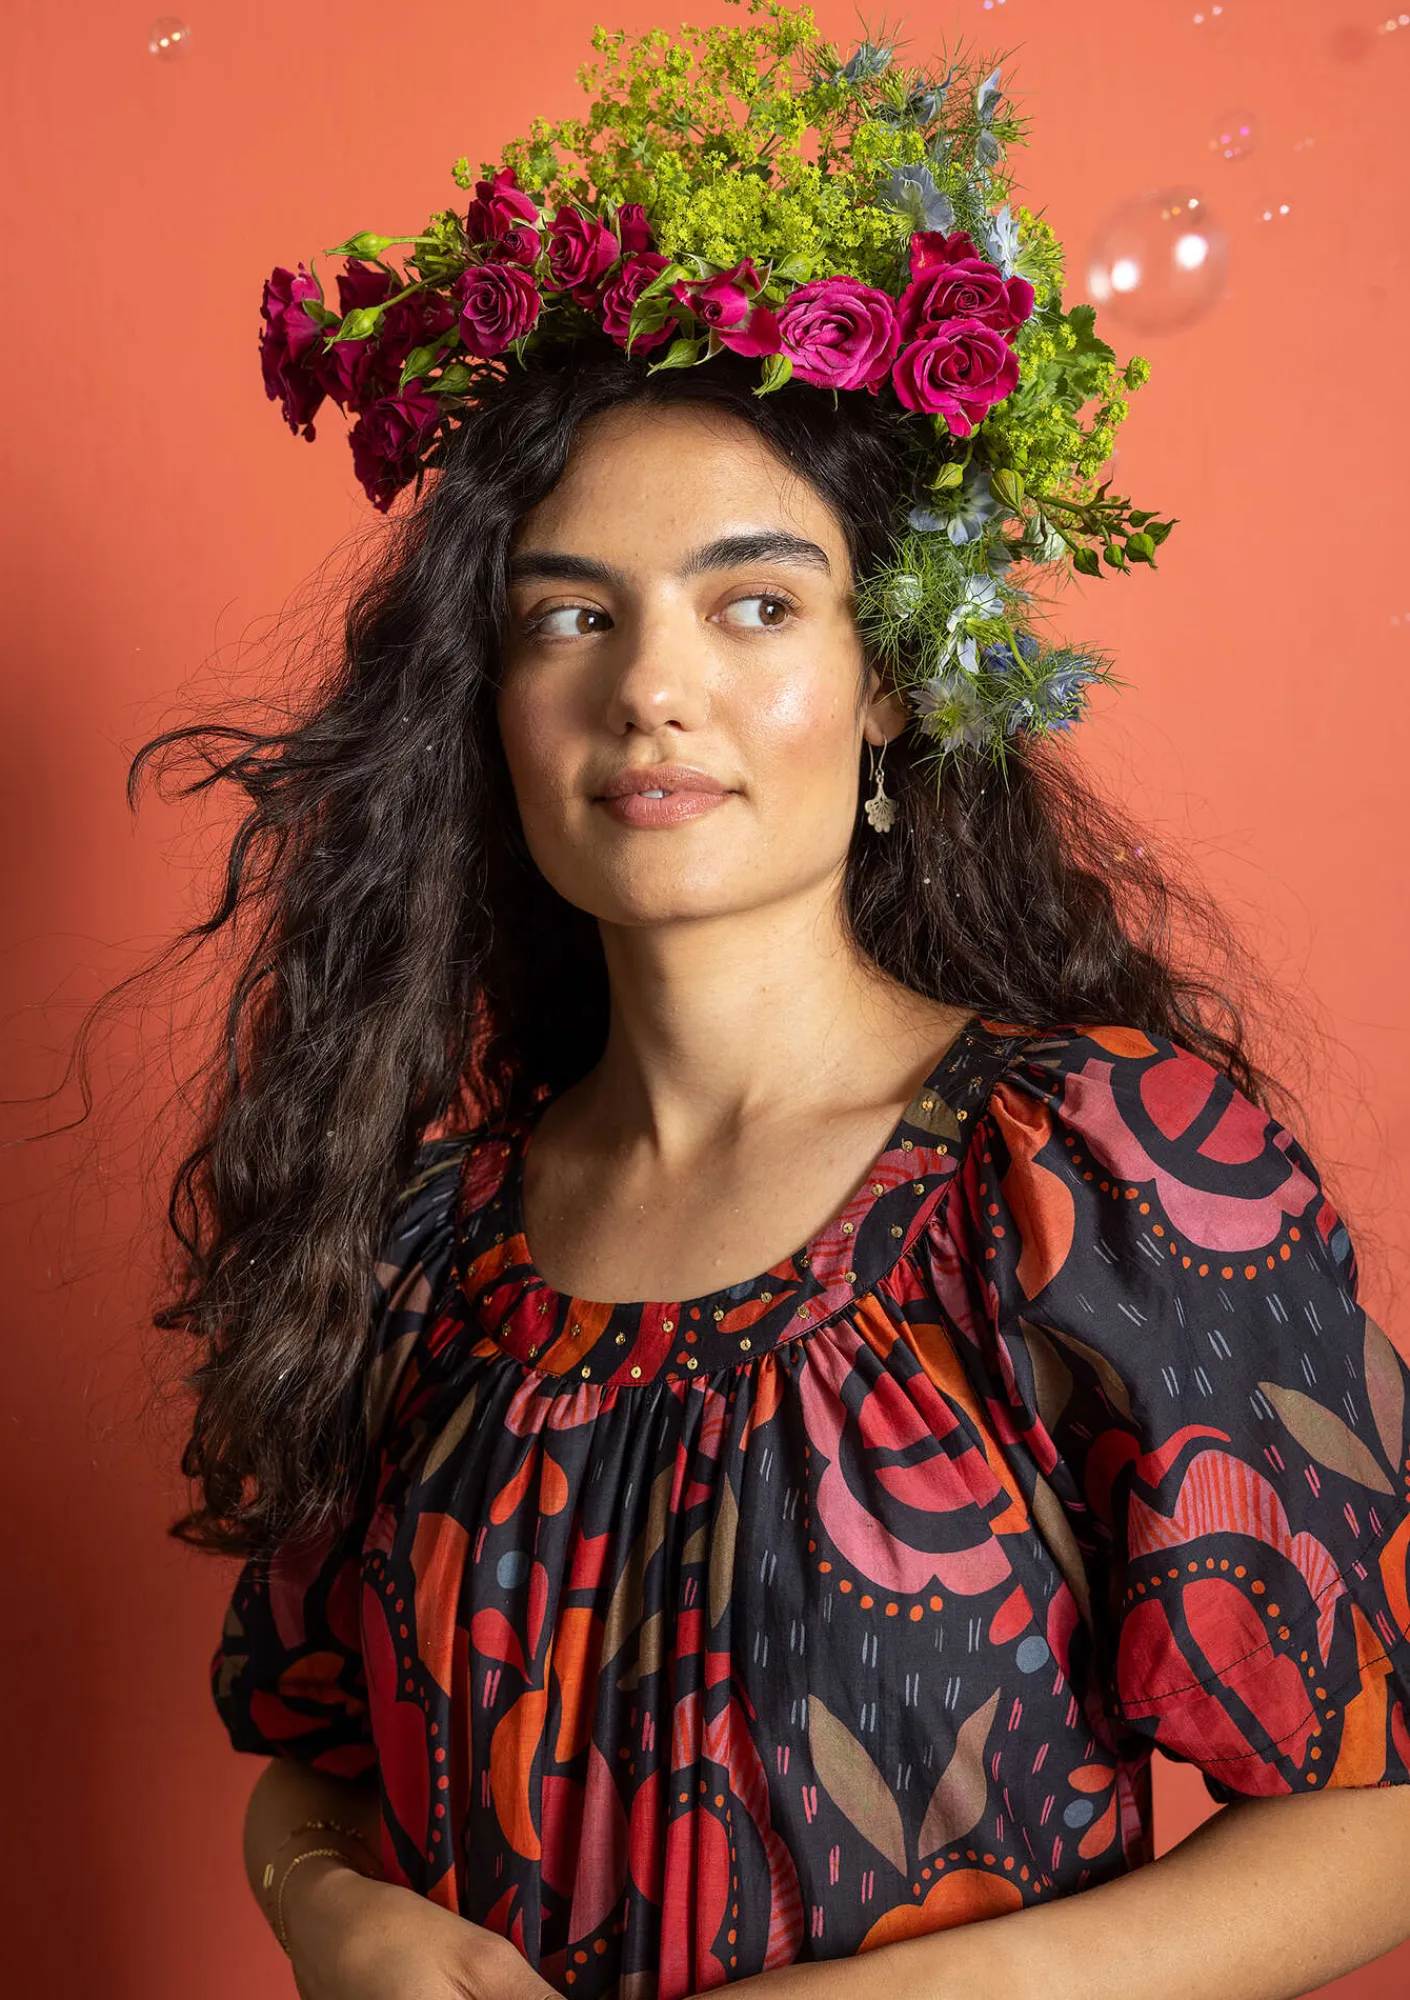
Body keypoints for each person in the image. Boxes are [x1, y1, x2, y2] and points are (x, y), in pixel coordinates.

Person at [140, 8, 1410, 1997]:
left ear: (894, 679)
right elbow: (309, 1769)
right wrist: (339, 1913)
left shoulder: (1097, 1170)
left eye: (753, 603)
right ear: (493, 700)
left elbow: (1379, 1810)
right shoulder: (419, 1247)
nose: (655, 688)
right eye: (575, 613)